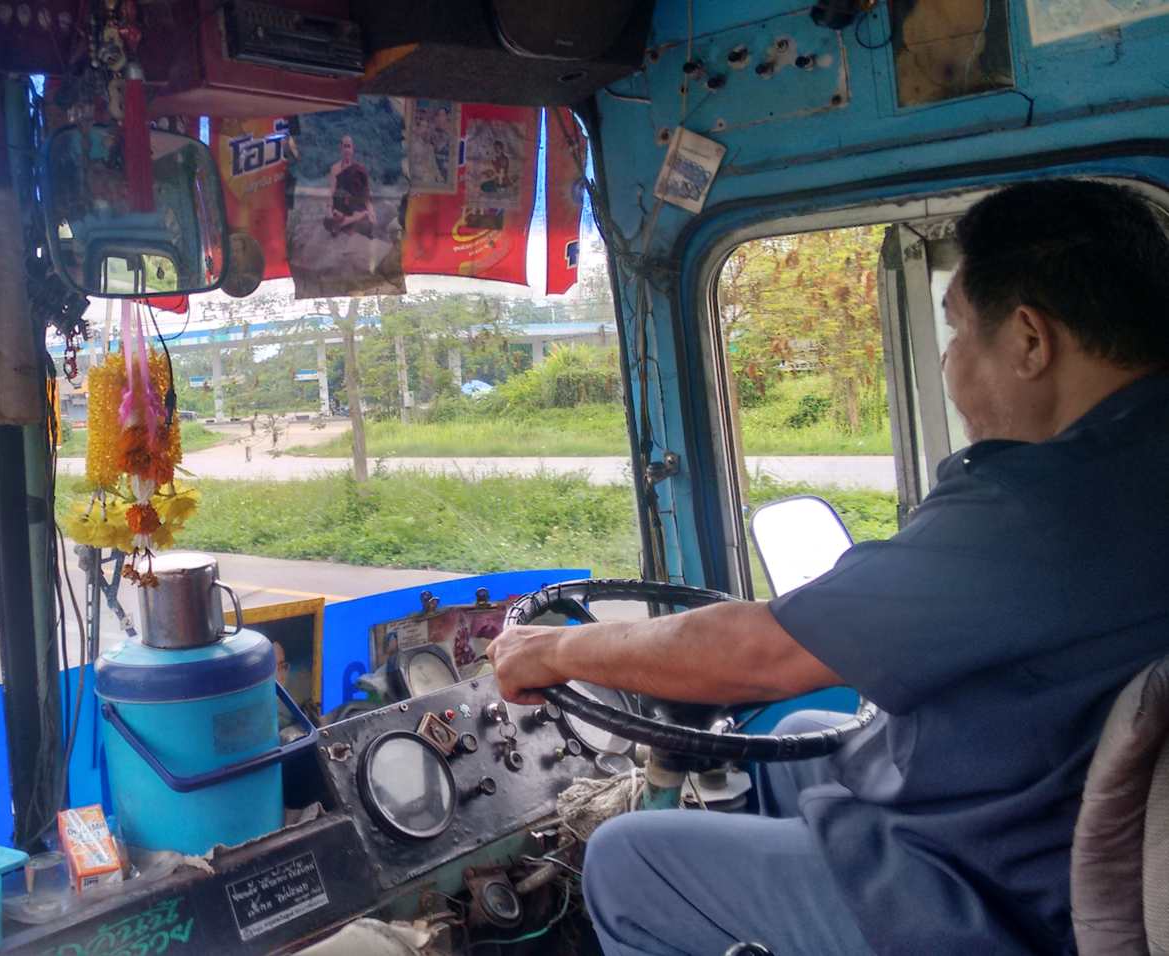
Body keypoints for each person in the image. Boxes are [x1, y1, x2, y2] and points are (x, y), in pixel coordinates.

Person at [487, 179, 1169, 956]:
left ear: (1028, 340)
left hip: (1000, 901)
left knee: (625, 858)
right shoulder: (1138, 463)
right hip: (1071, 839)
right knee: (810, 735)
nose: (949, 365)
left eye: (958, 334)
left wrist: (551, 649)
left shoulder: (1044, 504)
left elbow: (764, 653)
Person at [324, 135, 375, 237]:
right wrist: (329, 208)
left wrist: (371, 210)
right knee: (327, 221)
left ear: (353, 149)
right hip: (341, 207)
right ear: (341, 148)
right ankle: (349, 220)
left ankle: (344, 223)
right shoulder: (335, 168)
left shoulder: (359, 169)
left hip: (356, 207)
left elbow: (365, 193)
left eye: (349, 146)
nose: (347, 150)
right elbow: (332, 191)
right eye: (345, 146)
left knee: (369, 224)